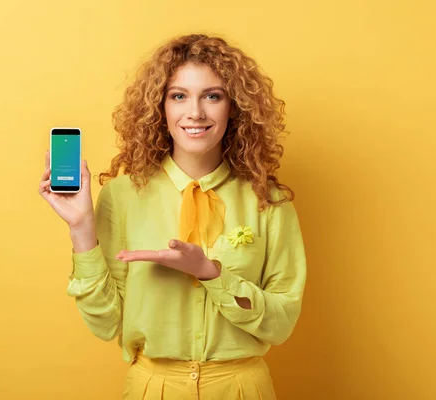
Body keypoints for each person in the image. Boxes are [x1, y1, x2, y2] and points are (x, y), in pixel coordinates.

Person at [38, 33, 306, 400]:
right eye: (178, 96)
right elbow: (106, 323)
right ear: (159, 107)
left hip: (242, 389)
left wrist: (211, 273)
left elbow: (280, 323)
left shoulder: (269, 201)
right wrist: (81, 228)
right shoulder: (122, 195)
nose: (195, 112)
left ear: (235, 106)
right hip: (153, 388)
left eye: (212, 96)